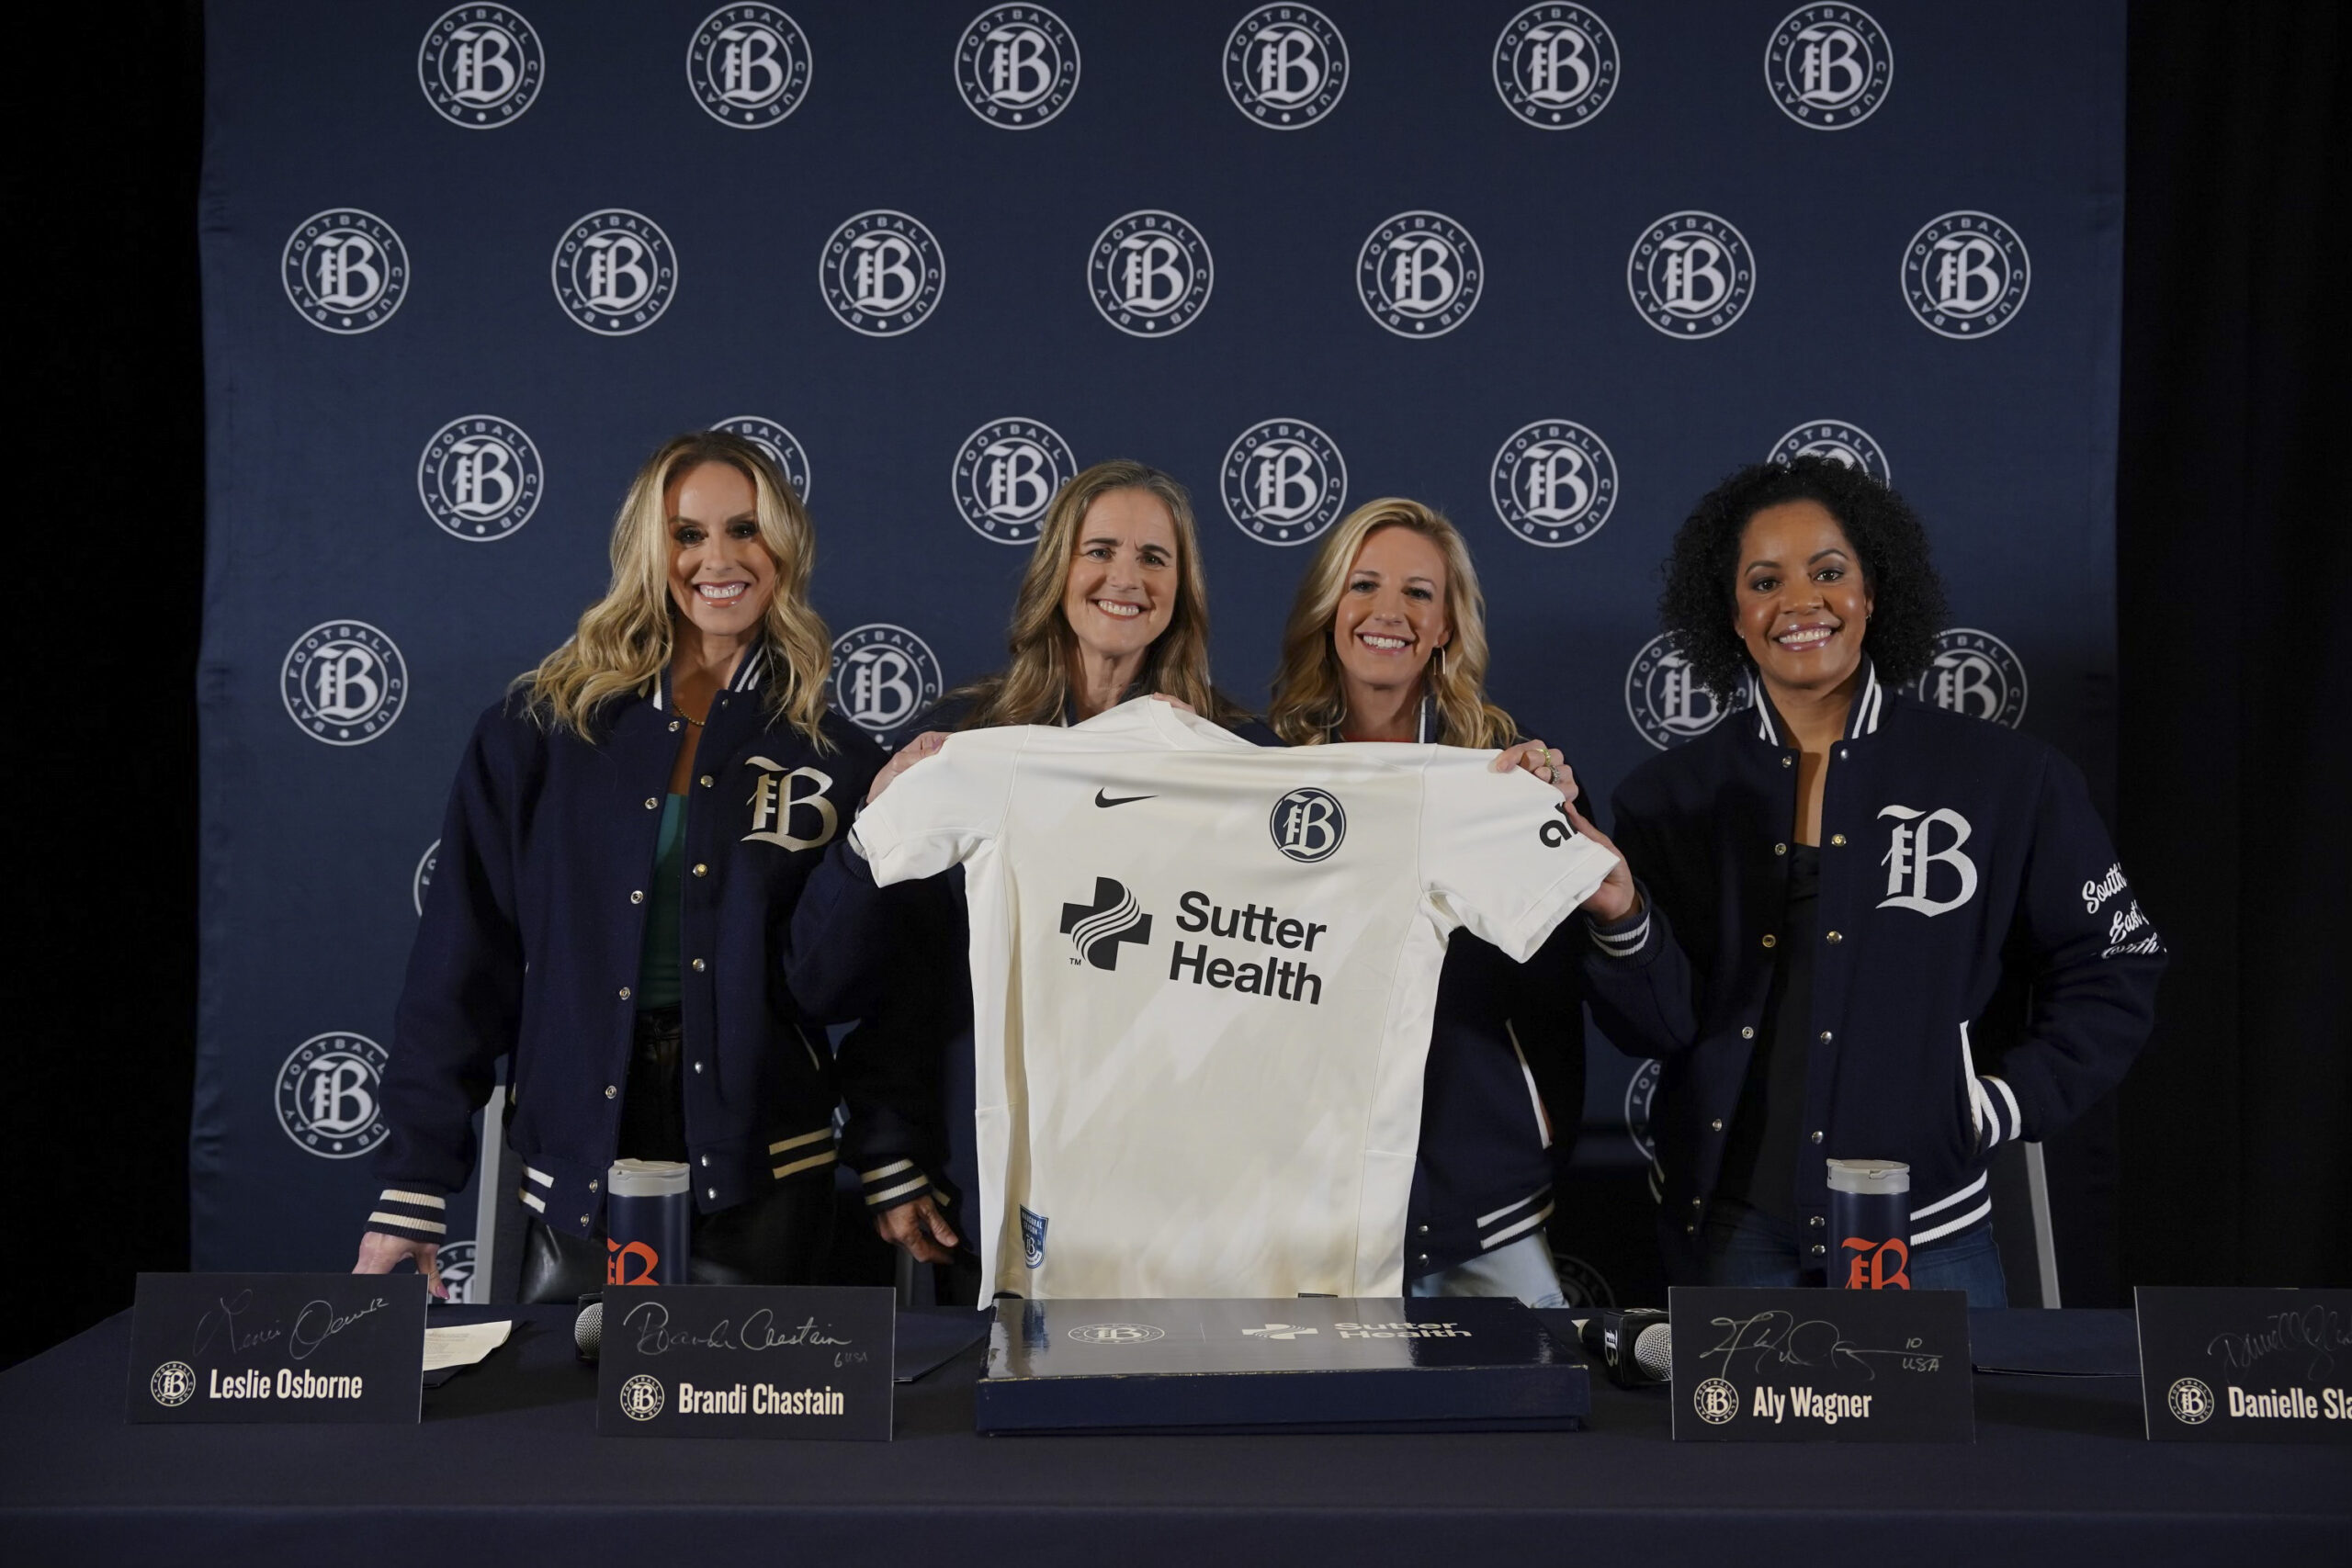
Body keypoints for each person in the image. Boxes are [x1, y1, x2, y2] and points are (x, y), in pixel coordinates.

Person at [1565, 457, 2165, 1303]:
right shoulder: (1670, 795)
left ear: (1873, 594)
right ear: (1732, 615)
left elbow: (2118, 960)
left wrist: (1992, 1105)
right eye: (1765, 580)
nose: (1800, 601)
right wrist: (1623, 916)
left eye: (1829, 572)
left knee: (1936, 1443)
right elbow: (1657, 1027)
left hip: (1926, 1237)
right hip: (1731, 1236)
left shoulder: (2004, 778)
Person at [354, 432, 880, 1301]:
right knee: (561, 1430)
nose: (719, 558)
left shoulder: (834, 758)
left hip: (765, 1174)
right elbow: (460, 962)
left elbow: (843, 986)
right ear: (649, 549)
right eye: (688, 534)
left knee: (745, 1427)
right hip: (576, 1169)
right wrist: (410, 1191)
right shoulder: (539, 730)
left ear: (784, 548)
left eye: (746, 530)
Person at [790, 458, 1267, 1302]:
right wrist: (890, 1149)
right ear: (1057, 571)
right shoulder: (963, 744)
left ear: (1182, 588)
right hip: (1006, 1191)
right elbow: (888, 977)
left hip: (1187, 1202)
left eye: (1155, 558)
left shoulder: (1242, 762)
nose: (1126, 577)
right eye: (1101, 550)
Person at [1264, 498, 1590, 1306]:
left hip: (1476, 1195)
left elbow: (1563, 978)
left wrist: (1553, 825)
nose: (1389, 612)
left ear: (1447, 624)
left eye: (1419, 593)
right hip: (1302, 1194)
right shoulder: (1261, 779)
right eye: (1364, 585)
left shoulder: (1506, 777)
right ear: (1328, 610)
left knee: (1522, 1420)